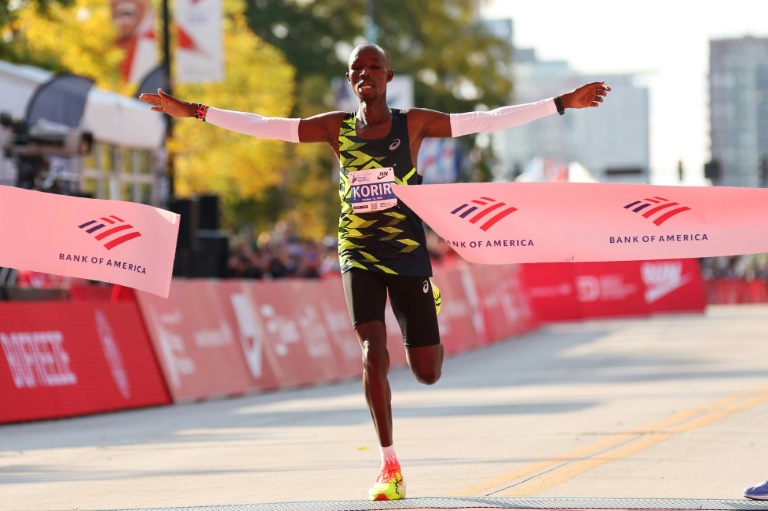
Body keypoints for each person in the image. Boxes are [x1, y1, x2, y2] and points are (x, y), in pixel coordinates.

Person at [140, 43, 610, 501]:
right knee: (372, 350)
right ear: (349, 81)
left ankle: (430, 303)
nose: (365, 73)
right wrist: (198, 112)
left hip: (406, 253)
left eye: (374, 66)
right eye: (356, 68)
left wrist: (561, 103)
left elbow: (483, 121)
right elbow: (266, 126)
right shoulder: (334, 129)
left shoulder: (414, 125)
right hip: (357, 250)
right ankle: (389, 464)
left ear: (387, 77)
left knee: (428, 372)